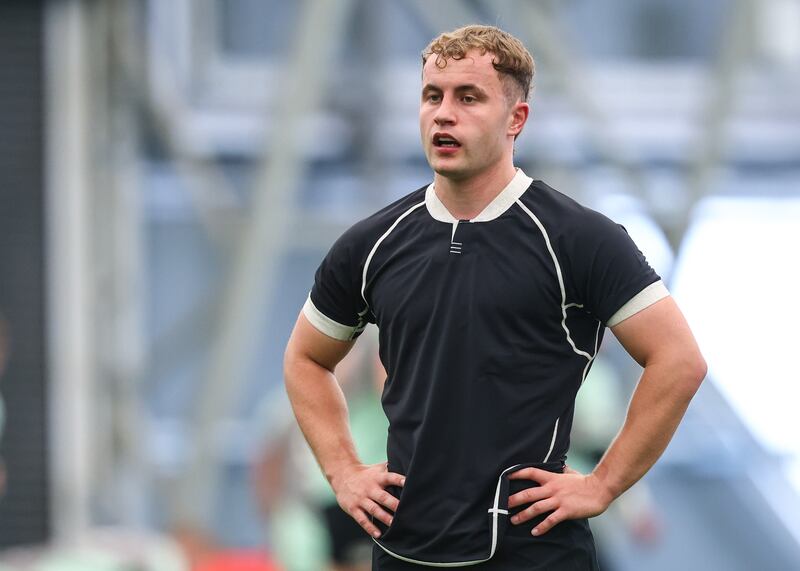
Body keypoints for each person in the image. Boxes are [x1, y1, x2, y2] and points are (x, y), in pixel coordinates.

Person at [284, 25, 706, 570]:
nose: (443, 114)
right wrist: (342, 470)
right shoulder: (372, 243)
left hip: (536, 554)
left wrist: (603, 485)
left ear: (516, 119)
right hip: (404, 552)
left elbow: (679, 360)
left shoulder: (580, 239)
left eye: (468, 97)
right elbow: (305, 358)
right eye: (432, 96)